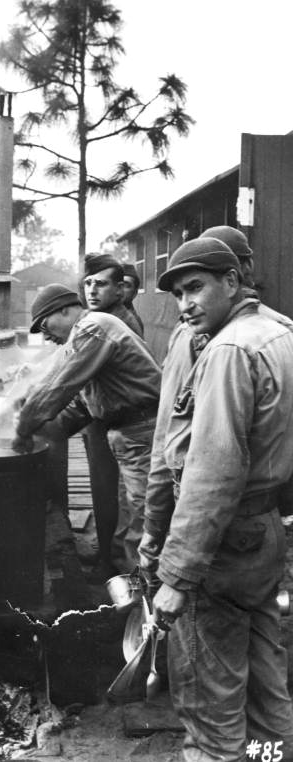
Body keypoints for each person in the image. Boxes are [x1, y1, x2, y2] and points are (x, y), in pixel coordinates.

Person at [139, 237, 293, 761]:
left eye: (196, 287)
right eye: (179, 293)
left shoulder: (228, 350)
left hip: (221, 542)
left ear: (233, 282)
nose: (185, 305)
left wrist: (176, 575)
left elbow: (212, 472)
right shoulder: (278, 333)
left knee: (209, 694)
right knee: (265, 674)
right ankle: (270, 756)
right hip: (264, 529)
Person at [13, 283, 161, 572]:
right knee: (127, 515)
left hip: (141, 430)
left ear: (65, 309)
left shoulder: (93, 328)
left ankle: (145, 598)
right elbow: (81, 402)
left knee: (145, 519)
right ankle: (121, 579)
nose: (44, 334)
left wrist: (22, 429)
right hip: (127, 431)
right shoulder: (85, 337)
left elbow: (56, 389)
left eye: (44, 324)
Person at [80, 254, 146, 575]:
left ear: (120, 290)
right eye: (88, 283)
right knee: (111, 492)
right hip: (107, 417)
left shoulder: (117, 323)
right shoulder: (106, 318)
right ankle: (110, 553)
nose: (92, 290)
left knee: (110, 491)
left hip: (116, 421)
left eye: (100, 284)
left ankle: (110, 560)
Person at [121, 262, 144, 336]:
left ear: (134, 293)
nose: (120, 289)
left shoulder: (133, 323)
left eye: (126, 285)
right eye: (118, 284)